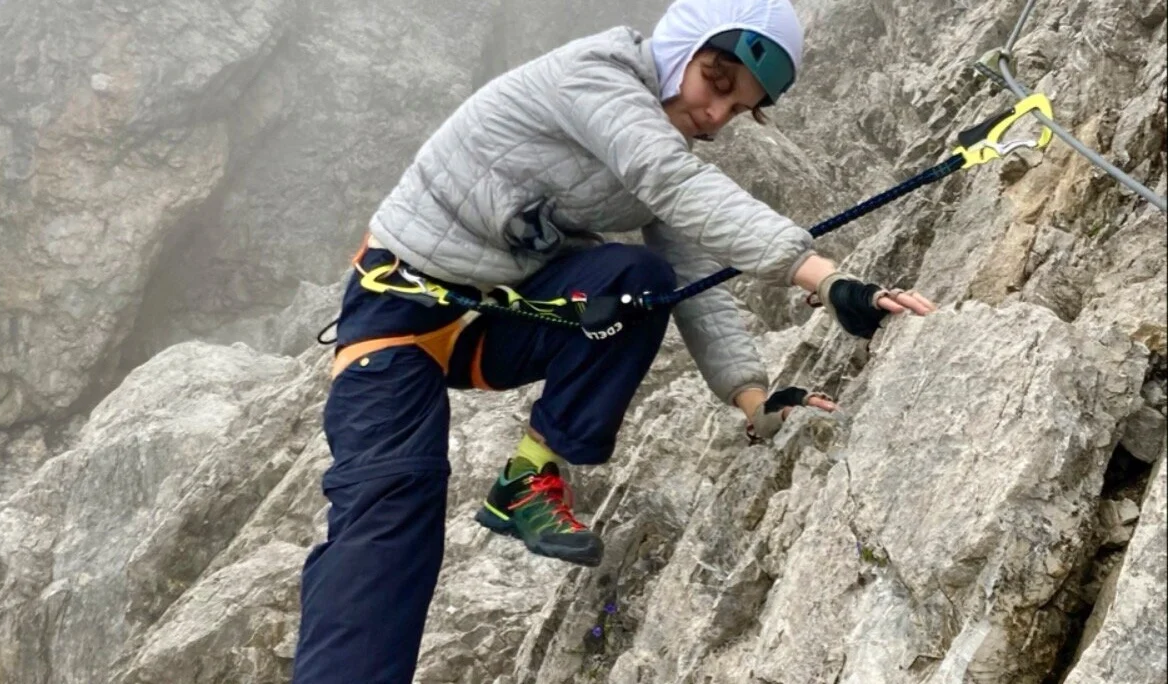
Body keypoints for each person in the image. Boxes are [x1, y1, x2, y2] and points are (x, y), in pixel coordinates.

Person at [291, 0, 936, 681]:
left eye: (738, 108)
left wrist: (754, 400)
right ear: (682, 47)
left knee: (639, 281)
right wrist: (824, 277)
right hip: (398, 314)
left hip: (491, 324)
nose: (717, 115)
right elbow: (670, 180)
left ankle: (526, 479)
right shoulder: (596, 75)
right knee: (392, 504)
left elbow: (693, 279)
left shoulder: (660, 139)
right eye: (717, 82)